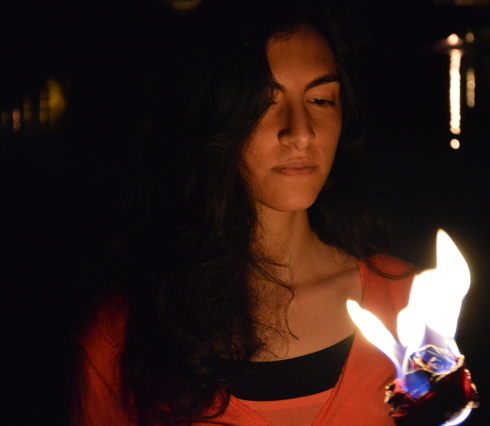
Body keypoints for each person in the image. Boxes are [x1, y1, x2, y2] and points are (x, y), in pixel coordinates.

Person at [72, 3, 416, 425]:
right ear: (209, 118)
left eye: (321, 99)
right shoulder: (127, 336)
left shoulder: (408, 305)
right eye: (262, 103)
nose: (301, 131)